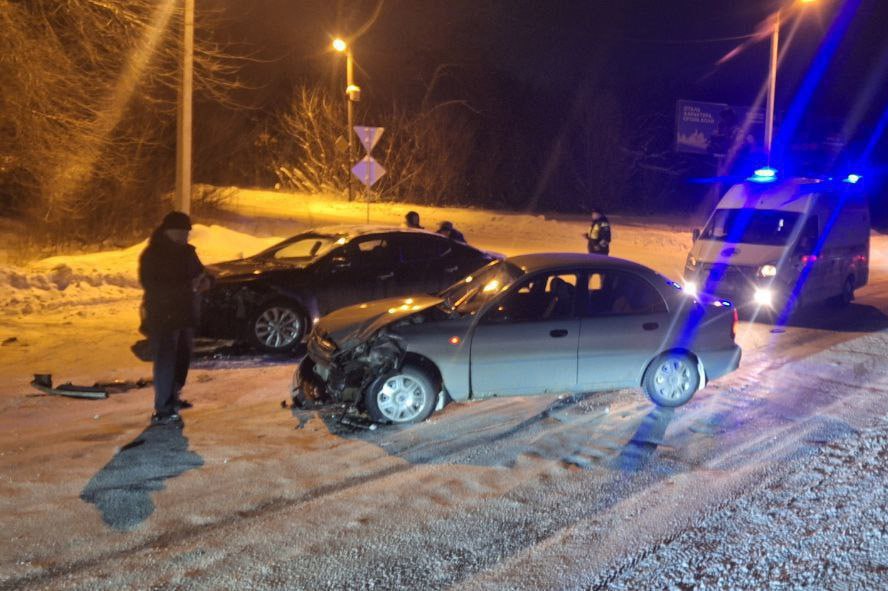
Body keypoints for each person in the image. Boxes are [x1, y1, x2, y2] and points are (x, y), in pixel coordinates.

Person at [138, 211, 210, 426]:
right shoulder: (153, 254)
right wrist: (187, 286)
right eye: (180, 233)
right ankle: (163, 407)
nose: (184, 237)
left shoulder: (188, 252)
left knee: (182, 360)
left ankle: (174, 396)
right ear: (169, 231)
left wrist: (207, 282)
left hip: (185, 314)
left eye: (187, 233)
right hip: (163, 316)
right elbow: (154, 286)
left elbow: (202, 272)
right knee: (166, 362)